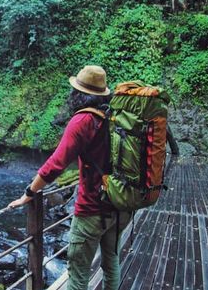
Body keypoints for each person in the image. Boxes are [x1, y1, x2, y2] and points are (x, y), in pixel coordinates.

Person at [8, 65, 131, 290]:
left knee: (78, 273)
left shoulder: (83, 120)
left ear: (78, 93)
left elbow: (56, 164)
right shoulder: (113, 116)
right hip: (120, 204)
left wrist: (29, 193)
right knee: (111, 261)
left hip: (92, 209)